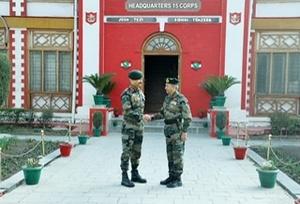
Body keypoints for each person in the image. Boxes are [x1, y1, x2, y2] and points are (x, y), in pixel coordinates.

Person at [149, 77, 192, 188]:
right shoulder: (167, 99)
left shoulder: (181, 99)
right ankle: (171, 176)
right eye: (165, 85)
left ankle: (178, 179)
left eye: (167, 86)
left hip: (177, 131)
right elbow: (162, 113)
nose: (165, 88)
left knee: (177, 155)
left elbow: (188, 117)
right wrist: (151, 117)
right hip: (168, 131)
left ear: (174, 87)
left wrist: (184, 131)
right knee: (170, 155)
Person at [120, 69, 149, 188]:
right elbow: (128, 111)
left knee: (137, 151)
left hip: (139, 127)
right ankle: (124, 176)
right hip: (129, 128)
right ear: (131, 80)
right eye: (137, 80)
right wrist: (143, 116)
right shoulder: (126, 94)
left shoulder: (140, 93)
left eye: (140, 79)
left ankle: (134, 173)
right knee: (127, 152)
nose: (140, 81)